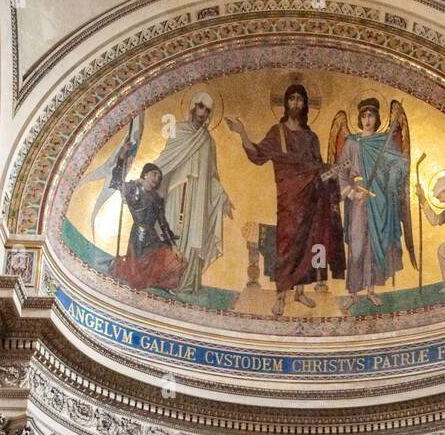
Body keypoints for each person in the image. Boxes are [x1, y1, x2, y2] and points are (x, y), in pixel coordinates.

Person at [226, 83, 346, 317]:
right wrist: (242, 133)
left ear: (305, 104)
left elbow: (318, 168)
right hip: (289, 200)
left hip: (312, 199)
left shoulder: (311, 137)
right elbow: (258, 155)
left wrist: (335, 172)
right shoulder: (277, 131)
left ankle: (300, 293)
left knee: (309, 245)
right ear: (286, 103)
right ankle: (281, 296)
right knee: (286, 246)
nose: (295, 103)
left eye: (300, 99)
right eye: (292, 99)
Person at [330, 98, 411, 310]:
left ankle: (371, 291)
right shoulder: (352, 143)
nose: (367, 120)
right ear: (359, 118)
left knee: (375, 246)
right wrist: (351, 193)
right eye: (364, 116)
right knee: (357, 244)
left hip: (379, 199)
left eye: (371, 115)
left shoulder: (384, 141)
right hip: (358, 200)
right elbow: (340, 171)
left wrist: (392, 175)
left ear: (377, 118)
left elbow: (400, 164)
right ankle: (353, 293)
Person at [152, 92, 233, 294]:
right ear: (193, 107)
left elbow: (212, 175)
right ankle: (164, 277)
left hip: (198, 198)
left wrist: (223, 197)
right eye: (200, 107)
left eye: (207, 110)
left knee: (192, 235)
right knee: (171, 229)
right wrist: (146, 178)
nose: (203, 113)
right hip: (177, 191)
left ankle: (185, 283)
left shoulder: (209, 142)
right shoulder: (179, 130)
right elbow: (166, 159)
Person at [110, 162, 186, 291]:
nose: (156, 178)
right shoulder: (132, 188)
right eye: (154, 174)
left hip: (152, 237)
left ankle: (154, 282)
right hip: (138, 236)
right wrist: (122, 159)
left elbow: (163, 223)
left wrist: (173, 245)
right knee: (137, 275)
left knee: (176, 260)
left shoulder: (157, 199)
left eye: (159, 177)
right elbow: (116, 182)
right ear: (145, 174)